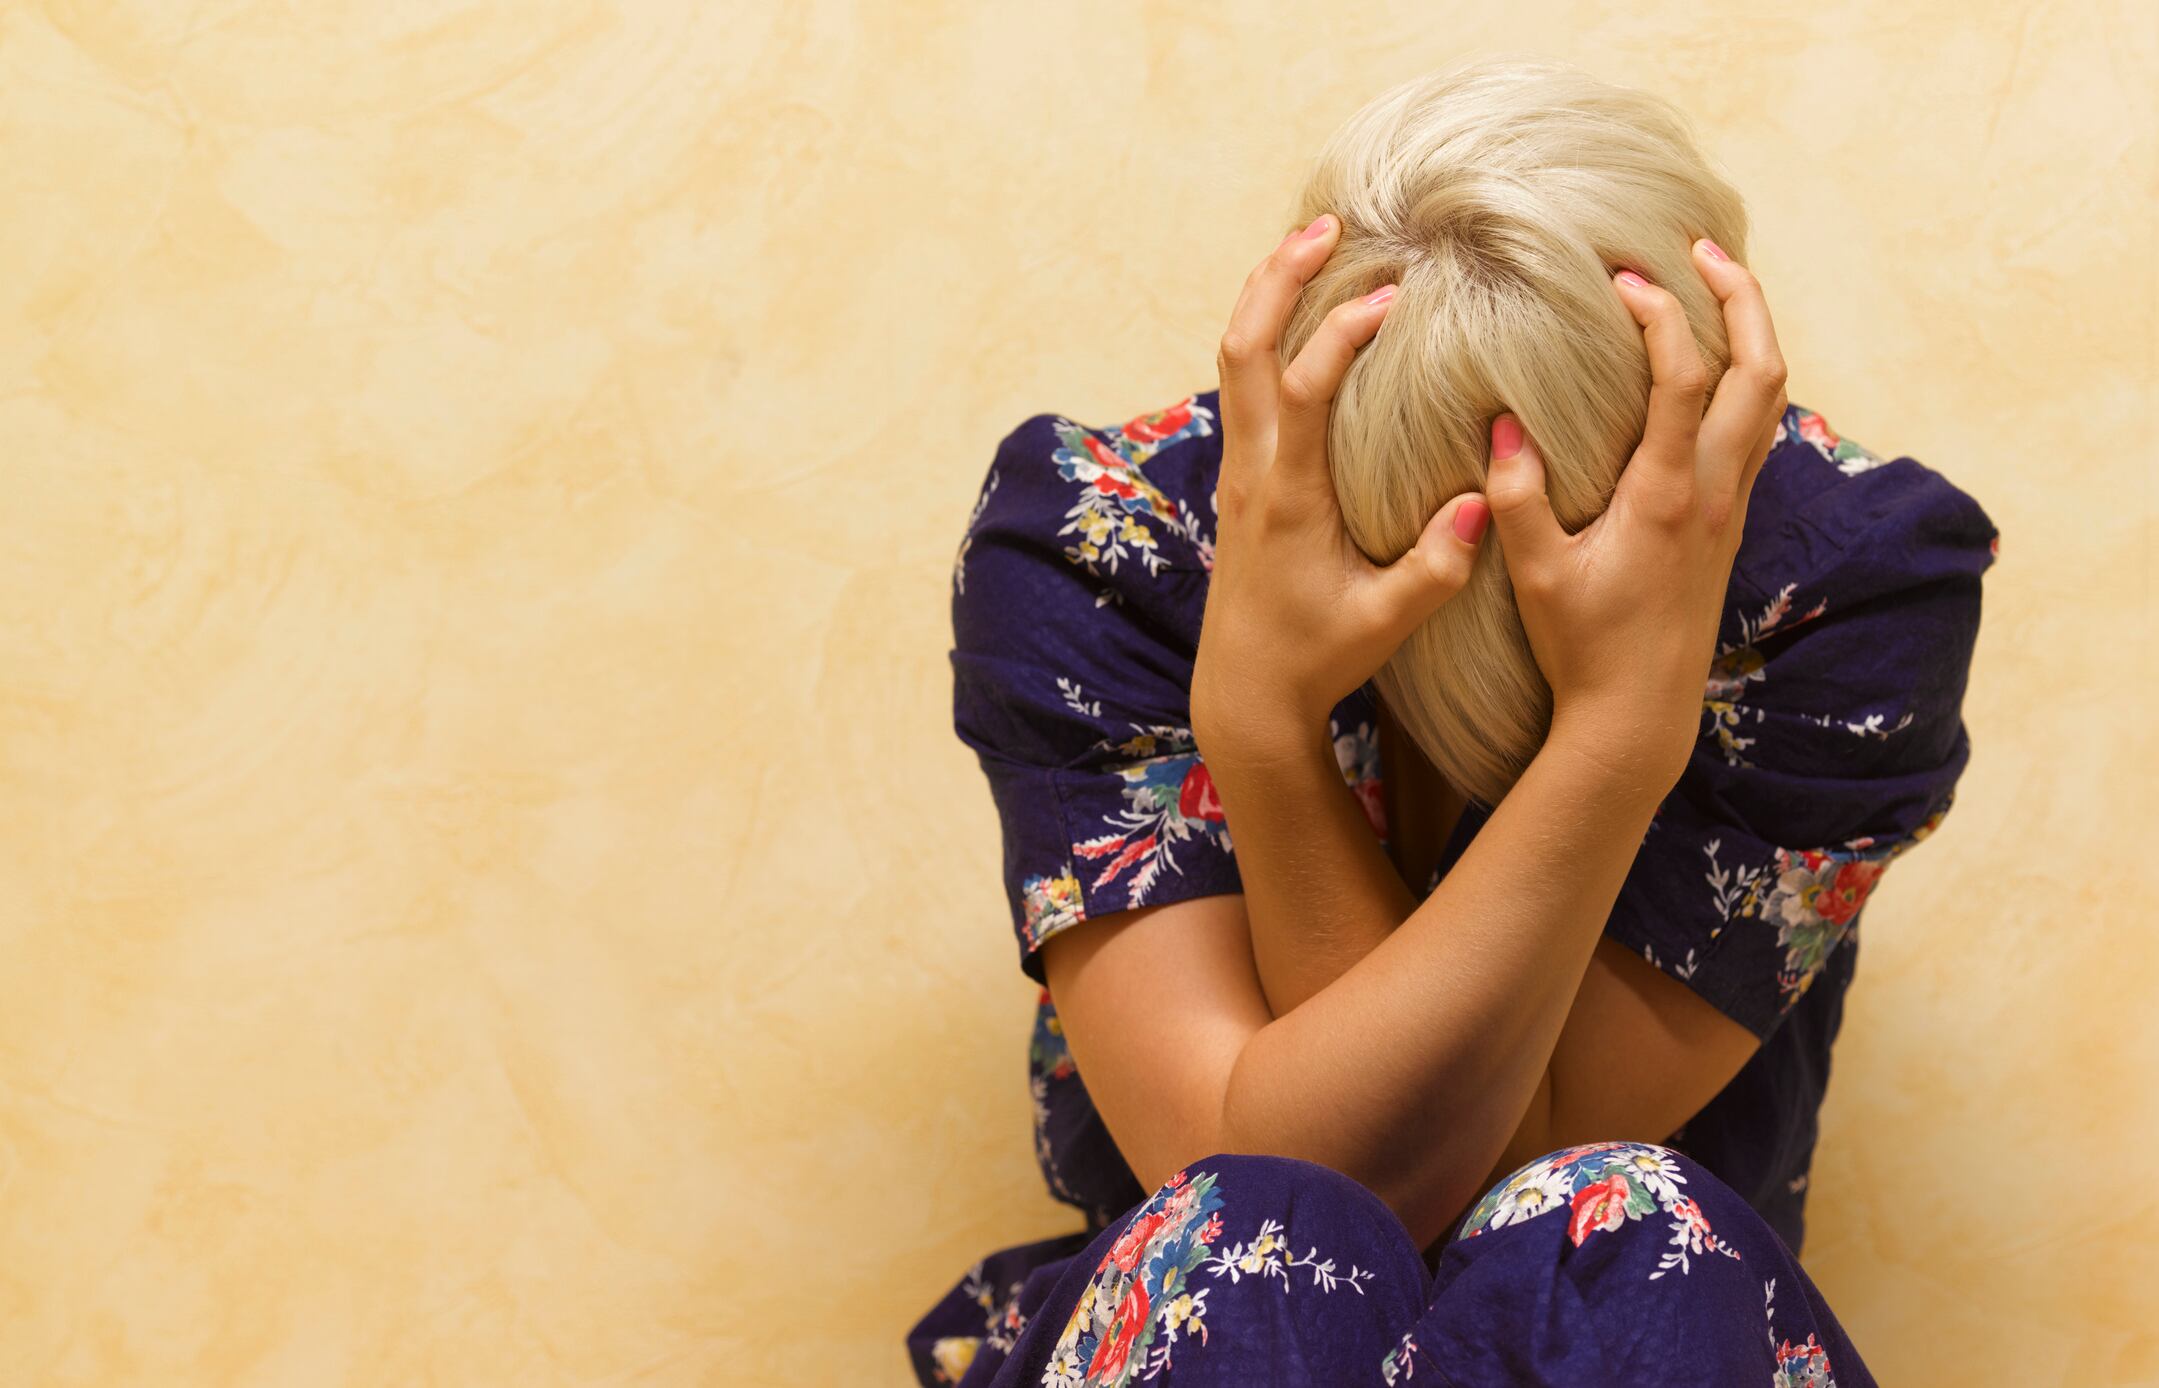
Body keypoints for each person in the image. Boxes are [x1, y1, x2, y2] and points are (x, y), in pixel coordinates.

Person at [912, 58, 1994, 1387]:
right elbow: (1269, 1200)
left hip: (1638, 1335)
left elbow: (1494, 1184)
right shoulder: (1109, 543)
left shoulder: (1837, 590)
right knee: (1250, 1245)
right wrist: (1263, 728)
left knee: (1620, 1232)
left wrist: (1612, 737)